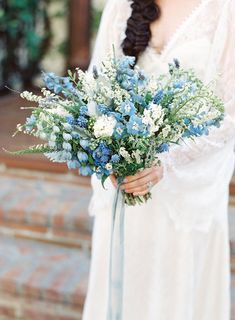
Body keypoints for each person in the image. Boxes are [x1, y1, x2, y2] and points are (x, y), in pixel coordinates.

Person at [82, 0, 235, 319]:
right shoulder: (120, 7)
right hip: (127, 188)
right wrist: (112, 156)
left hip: (187, 193)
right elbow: (97, 92)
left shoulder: (224, 9)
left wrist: (167, 163)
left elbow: (229, 112)